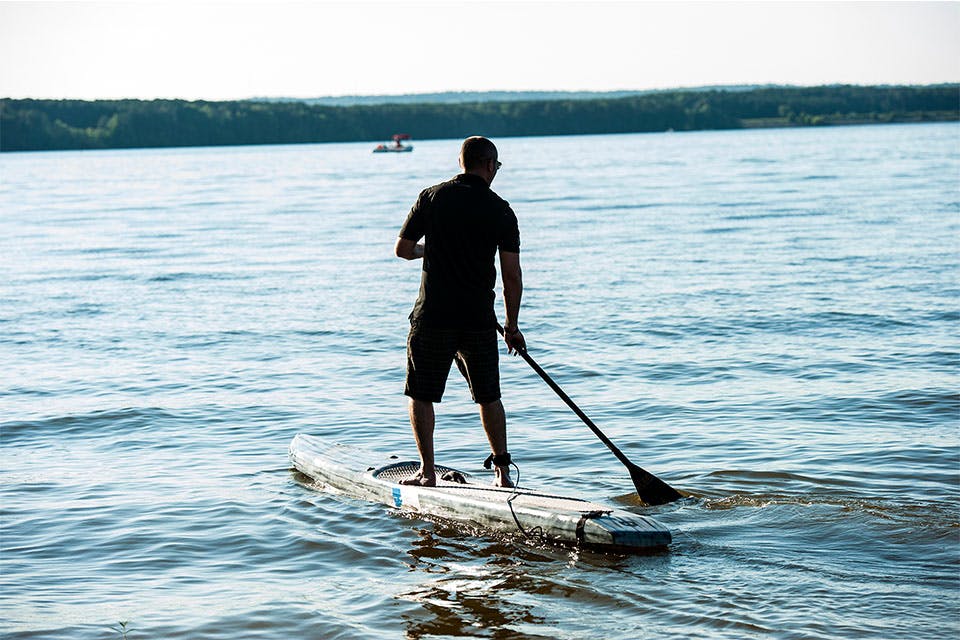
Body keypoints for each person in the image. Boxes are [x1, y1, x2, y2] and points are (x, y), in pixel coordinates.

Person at [394, 136, 525, 488]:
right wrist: (512, 326)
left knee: (421, 394)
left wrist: (430, 251)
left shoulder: (431, 197)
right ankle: (502, 474)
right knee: (488, 395)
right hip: (478, 320)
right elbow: (511, 276)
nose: (496, 172)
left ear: (461, 163)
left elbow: (403, 250)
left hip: (432, 315)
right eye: (496, 167)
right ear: (487, 165)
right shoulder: (501, 209)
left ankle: (426, 472)